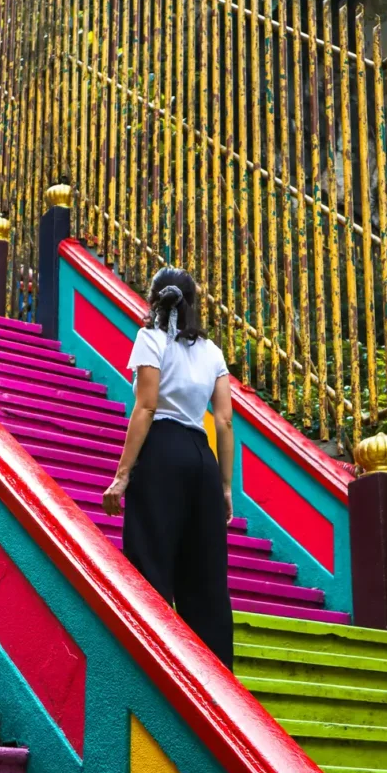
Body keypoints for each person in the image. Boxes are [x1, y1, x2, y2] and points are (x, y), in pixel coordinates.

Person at [102, 268, 235, 669]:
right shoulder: (212, 351)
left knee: (151, 558)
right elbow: (225, 420)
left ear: (154, 298)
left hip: (161, 451)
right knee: (206, 575)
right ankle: (216, 676)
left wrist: (122, 475)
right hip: (201, 456)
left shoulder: (150, 338)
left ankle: (154, 667)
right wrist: (225, 486)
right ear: (193, 302)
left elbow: (146, 406)